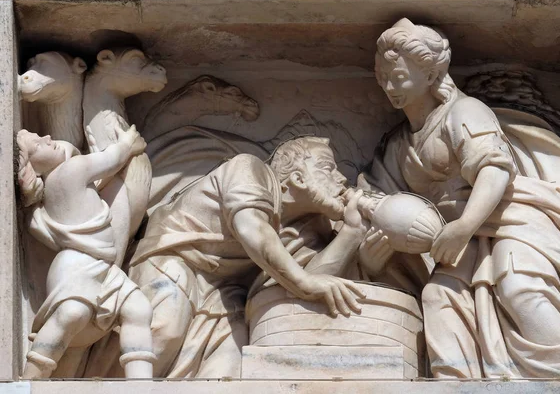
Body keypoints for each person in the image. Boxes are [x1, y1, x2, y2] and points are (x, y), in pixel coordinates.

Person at [362, 18, 560, 378]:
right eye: (381, 76)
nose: (388, 86)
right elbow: (374, 202)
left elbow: (494, 171)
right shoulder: (398, 146)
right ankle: (459, 382)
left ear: (431, 76)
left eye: (397, 77)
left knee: (519, 285)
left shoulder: (464, 112)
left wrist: (464, 226)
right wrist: (371, 260)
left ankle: (557, 378)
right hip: (452, 241)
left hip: (511, 220)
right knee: (437, 298)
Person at [127, 136, 369, 378]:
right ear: (298, 178)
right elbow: (252, 227)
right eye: (328, 168)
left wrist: (351, 233)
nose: (341, 178)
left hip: (226, 293)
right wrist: (304, 282)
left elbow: (311, 286)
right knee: (165, 329)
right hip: (174, 260)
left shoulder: (308, 227)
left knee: (230, 367)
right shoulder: (250, 169)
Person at [16, 119, 156, 379]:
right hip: (78, 265)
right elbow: (111, 159)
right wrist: (128, 141)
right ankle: (28, 382)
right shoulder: (71, 171)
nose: (47, 137)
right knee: (71, 314)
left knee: (138, 309)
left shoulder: (46, 196)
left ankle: (140, 384)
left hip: (100, 265)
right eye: (38, 144)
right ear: (32, 169)